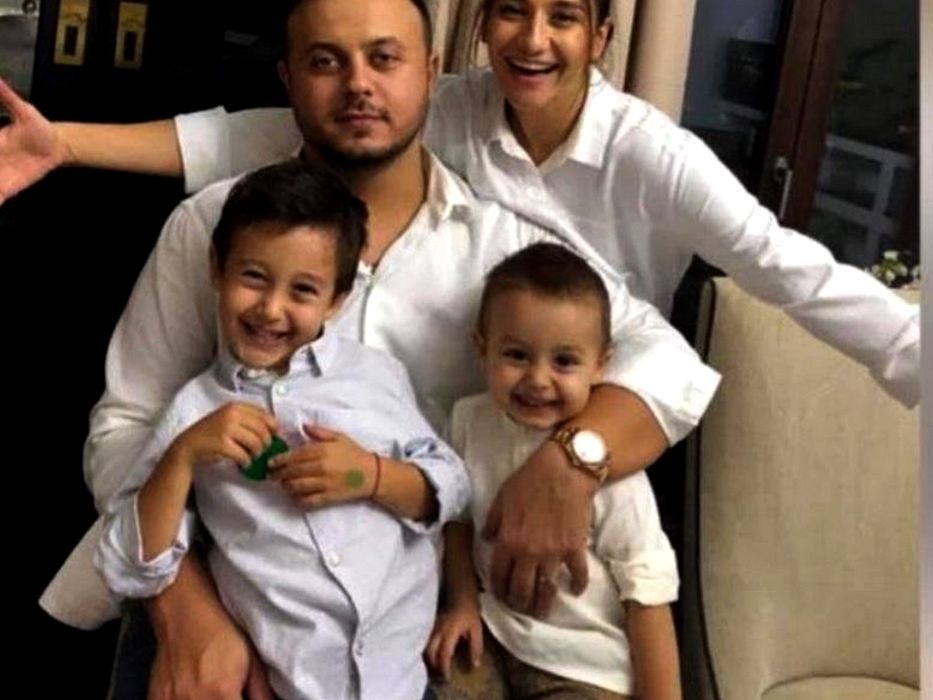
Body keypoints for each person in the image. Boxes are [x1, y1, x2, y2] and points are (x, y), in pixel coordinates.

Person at [32, 0, 720, 697]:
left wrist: (570, 463)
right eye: (325, 61)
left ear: (431, 72)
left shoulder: (500, 250)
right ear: (288, 78)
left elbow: (667, 362)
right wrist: (183, 605)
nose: (358, 84)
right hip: (210, 586)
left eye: (384, 59)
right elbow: (127, 424)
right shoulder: (213, 226)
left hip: (417, 624)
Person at [0, 0, 916, 407]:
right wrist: (66, 142)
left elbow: (782, 266)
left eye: (563, 16)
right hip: (459, 410)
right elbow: (253, 135)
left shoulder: (651, 155)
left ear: (600, 36)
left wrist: (911, 358)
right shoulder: (444, 106)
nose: (533, 38)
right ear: (477, 31)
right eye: (511, 10)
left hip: (600, 395)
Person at [96, 158, 470, 700]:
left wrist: (370, 476)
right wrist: (182, 457)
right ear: (217, 269)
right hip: (287, 683)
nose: (271, 309)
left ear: (337, 300)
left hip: (400, 682)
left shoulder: (376, 377)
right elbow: (130, 562)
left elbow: (451, 485)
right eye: (253, 277)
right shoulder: (194, 411)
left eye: (303, 290)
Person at [427, 243, 681, 700]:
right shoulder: (468, 421)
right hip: (493, 632)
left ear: (600, 364)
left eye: (564, 361)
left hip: (583, 667)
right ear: (482, 350)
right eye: (517, 356)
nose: (538, 379)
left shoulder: (610, 471)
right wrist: (461, 605)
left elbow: (647, 590)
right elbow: (458, 522)